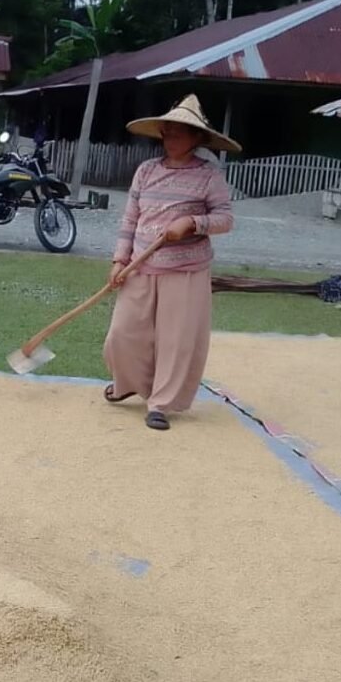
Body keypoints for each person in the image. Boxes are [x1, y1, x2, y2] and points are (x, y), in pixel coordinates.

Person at [102, 95, 237, 431]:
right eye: (167, 131)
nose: (171, 137)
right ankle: (129, 383)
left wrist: (191, 223)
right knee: (123, 333)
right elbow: (130, 218)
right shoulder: (146, 171)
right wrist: (119, 259)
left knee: (176, 341)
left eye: (179, 132)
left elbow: (225, 219)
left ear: (197, 138)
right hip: (140, 265)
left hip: (185, 270)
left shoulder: (209, 176)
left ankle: (160, 404)